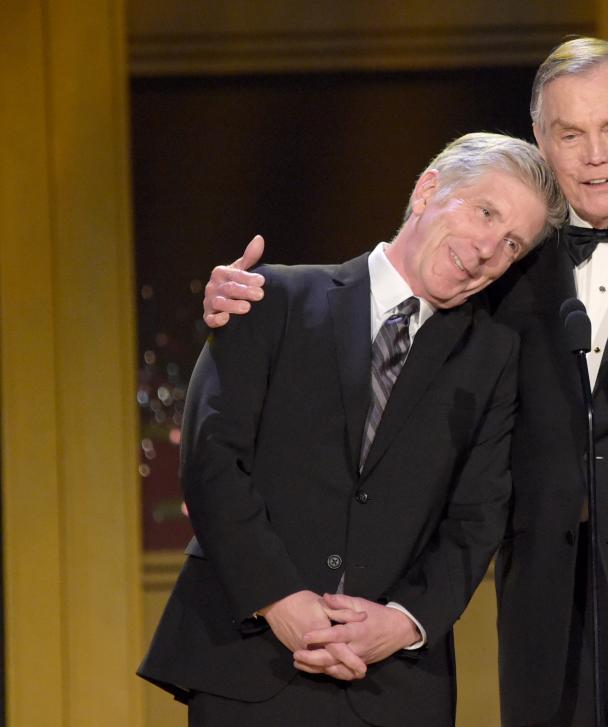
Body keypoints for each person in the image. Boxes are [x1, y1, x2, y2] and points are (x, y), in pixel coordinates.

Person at [203, 38, 608, 727]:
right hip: (548, 639)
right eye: (570, 134)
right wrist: (251, 300)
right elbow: (394, 302)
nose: (595, 155)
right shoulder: (512, 252)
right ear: (541, 140)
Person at [138, 132, 564, 727]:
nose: (489, 248)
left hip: (391, 687)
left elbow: (477, 518)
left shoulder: (492, 360)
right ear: (427, 191)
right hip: (248, 664)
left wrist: (404, 623)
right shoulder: (269, 300)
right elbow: (211, 460)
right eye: (485, 212)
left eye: (512, 242)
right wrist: (279, 600)